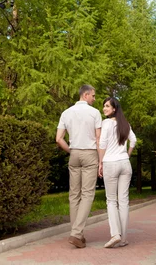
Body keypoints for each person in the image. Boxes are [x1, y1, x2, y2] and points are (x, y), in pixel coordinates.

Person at [56, 84, 102, 249]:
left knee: (74, 195)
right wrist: (101, 161)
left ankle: (77, 234)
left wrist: (71, 151)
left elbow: (58, 138)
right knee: (87, 194)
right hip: (90, 154)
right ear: (86, 95)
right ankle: (76, 234)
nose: (94, 99)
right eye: (93, 96)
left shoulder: (66, 113)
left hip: (74, 154)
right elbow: (98, 139)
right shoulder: (94, 113)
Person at [98, 97, 136, 248]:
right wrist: (127, 155)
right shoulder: (125, 124)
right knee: (124, 201)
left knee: (111, 201)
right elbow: (133, 141)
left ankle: (115, 234)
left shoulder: (106, 123)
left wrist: (100, 163)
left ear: (114, 109)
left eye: (107, 106)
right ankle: (124, 238)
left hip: (110, 164)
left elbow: (102, 144)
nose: (104, 108)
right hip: (125, 164)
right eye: (104, 106)